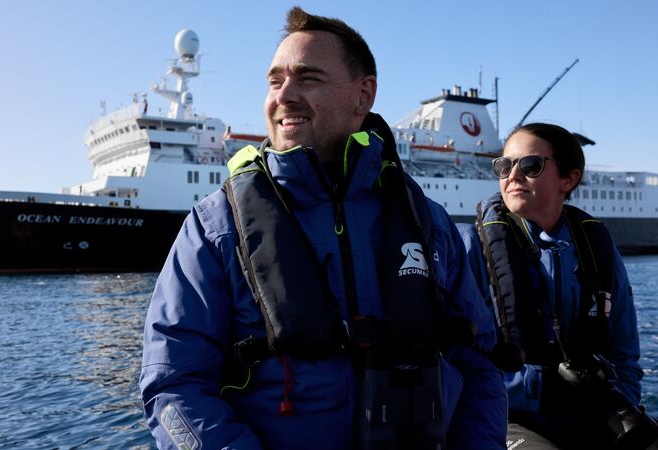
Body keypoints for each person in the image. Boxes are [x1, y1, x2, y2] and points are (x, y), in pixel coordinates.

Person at [140, 7, 506, 449]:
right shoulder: (216, 228)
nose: (285, 96)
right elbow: (174, 385)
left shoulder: (429, 223)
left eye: (308, 78)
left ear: (362, 96)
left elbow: (479, 363)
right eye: (275, 81)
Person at [457, 123, 647, 449]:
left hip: (587, 408)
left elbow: (624, 353)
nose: (512, 175)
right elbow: (457, 354)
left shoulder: (596, 247)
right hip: (505, 412)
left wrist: (617, 406)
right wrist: (543, 387)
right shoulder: (468, 246)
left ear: (568, 180)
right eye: (504, 165)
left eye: (530, 165)